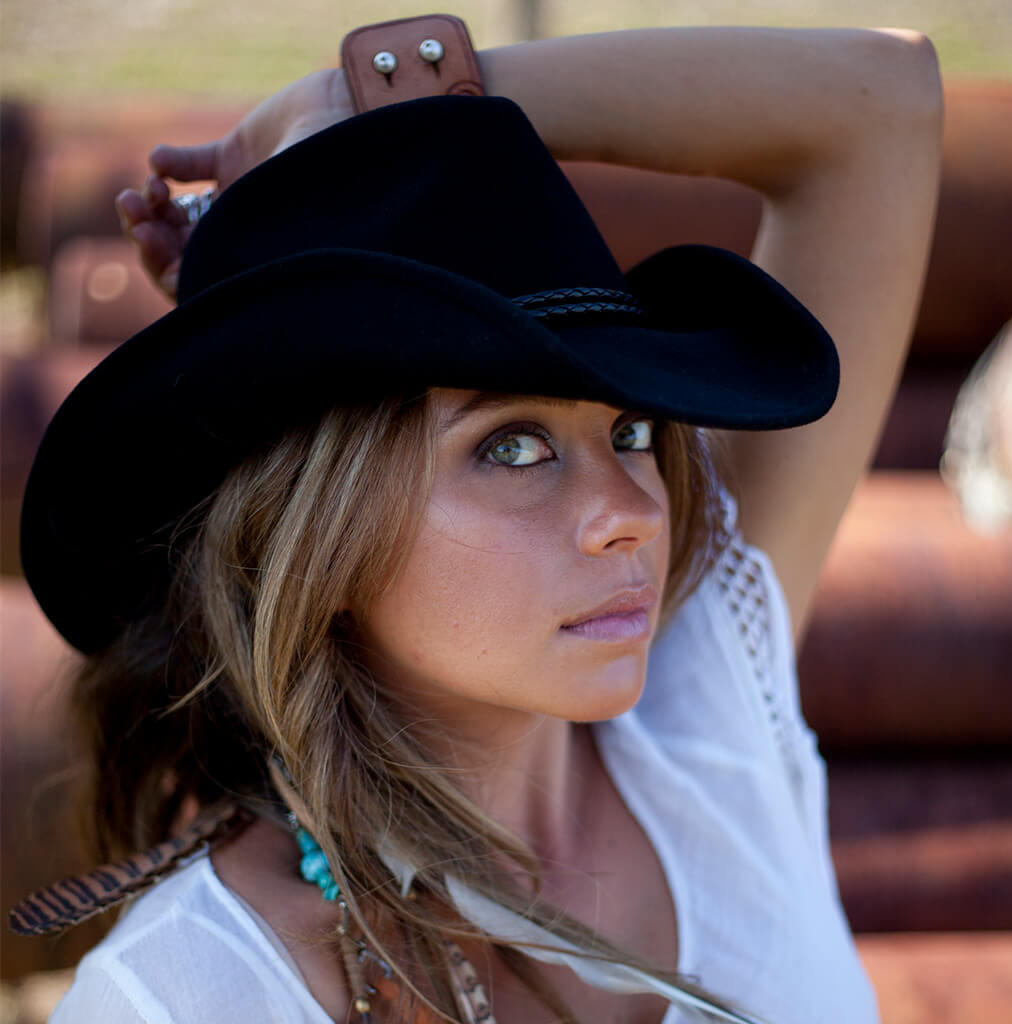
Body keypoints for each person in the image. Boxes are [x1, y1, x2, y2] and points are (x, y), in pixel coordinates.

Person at [16, 19, 942, 1024]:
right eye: (511, 446)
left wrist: (396, 103)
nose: (628, 514)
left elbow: (882, 98)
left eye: (630, 428)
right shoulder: (194, 994)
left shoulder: (708, 689)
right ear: (314, 530)